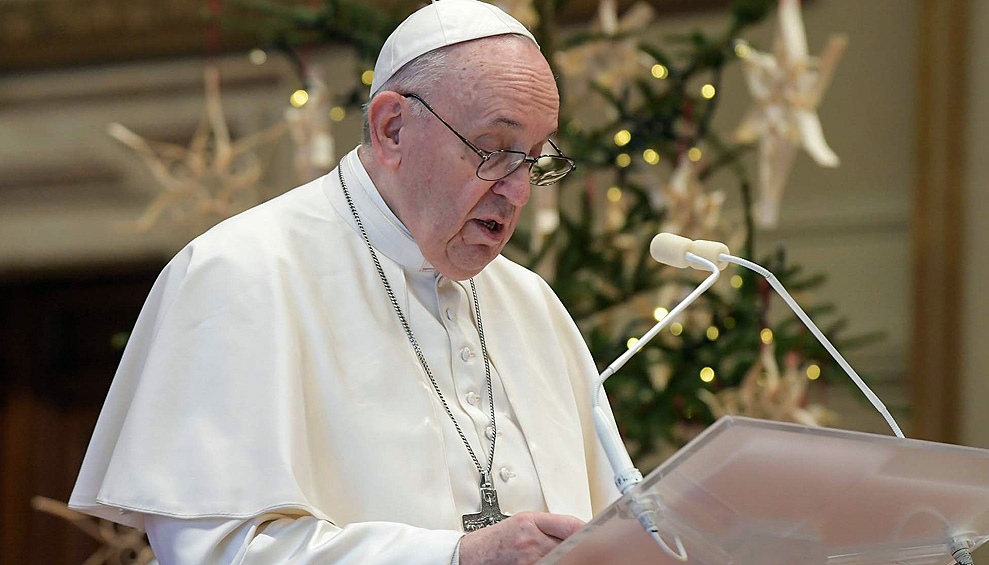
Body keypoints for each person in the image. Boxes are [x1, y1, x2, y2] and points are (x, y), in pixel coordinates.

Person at [70, 1, 621, 563]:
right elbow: (219, 553)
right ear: (393, 128)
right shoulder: (241, 274)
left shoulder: (531, 305)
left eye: (533, 158)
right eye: (495, 149)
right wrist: (458, 557)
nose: (518, 192)